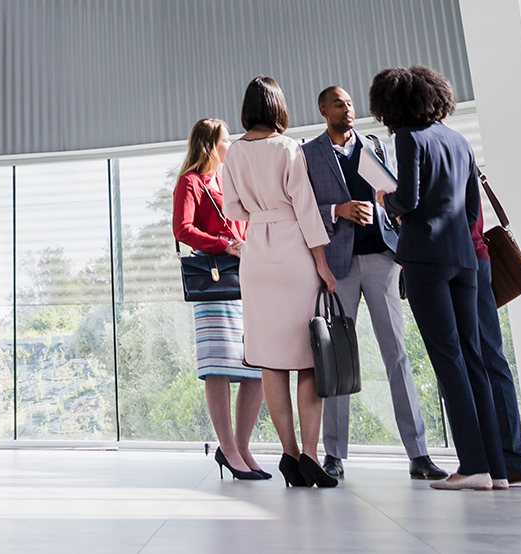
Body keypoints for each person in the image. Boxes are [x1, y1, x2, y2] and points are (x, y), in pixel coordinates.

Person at [371, 65, 507, 491]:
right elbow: (471, 212)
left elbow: (407, 200)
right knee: (474, 359)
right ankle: (496, 470)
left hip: (426, 260)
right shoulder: (458, 139)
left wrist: (385, 198)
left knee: (447, 359)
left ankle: (471, 466)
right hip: (465, 259)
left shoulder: (408, 138)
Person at [302, 86, 447, 481]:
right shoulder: (308, 152)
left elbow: (396, 193)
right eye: (338, 104)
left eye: (350, 104)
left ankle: (418, 454)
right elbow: (301, 207)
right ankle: (333, 454)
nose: (347, 109)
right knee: (336, 360)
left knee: (397, 356)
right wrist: (338, 210)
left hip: (383, 259)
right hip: (338, 266)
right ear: (322, 110)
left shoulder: (374, 146)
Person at [222, 77, 338, 488]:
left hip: (256, 256)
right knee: (309, 355)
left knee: (271, 359)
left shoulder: (233, 153)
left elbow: (231, 207)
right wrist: (323, 264)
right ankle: (310, 454)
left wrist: (258, 216)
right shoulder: (289, 148)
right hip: (293, 252)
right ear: (278, 107)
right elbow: (306, 210)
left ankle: (287, 453)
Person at [173, 118, 267, 481]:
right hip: (215, 281)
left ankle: (242, 448)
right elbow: (183, 229)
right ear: (211, 145)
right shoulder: (191, 182)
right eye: (227, 139)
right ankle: (227, 449)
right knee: (219, 364)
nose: (233, 144)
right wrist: (225, 244)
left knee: (256, 365)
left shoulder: (230, 182)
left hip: (246, 278)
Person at [471, 202, 521, 487]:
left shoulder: (436, 157)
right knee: (492, 359)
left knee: (481, 362)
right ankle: (510, 460)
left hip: (461, 262)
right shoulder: (464, 157)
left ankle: (501, 460)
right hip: (477, 260)